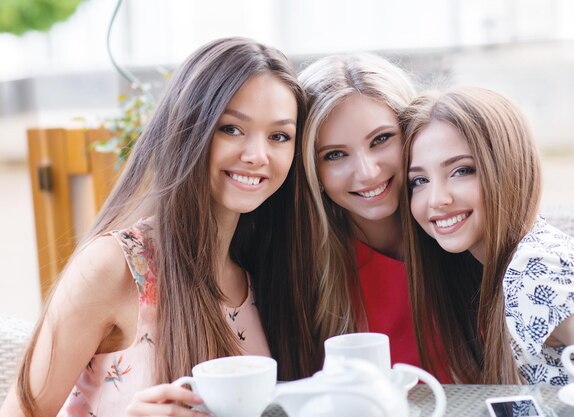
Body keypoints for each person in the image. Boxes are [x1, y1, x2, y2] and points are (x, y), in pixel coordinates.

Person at [0, 37, 318, 417]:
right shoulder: (115, 267)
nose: (256, 155)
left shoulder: (266, 270)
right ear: (189, 129)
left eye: (279, 136)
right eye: (231, 128)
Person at [401, 86, 574, 385]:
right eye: (420, 180)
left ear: (508, 167)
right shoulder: (494, 265)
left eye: (461, 171)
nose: (436, 199)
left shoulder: (534, 269)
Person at [298, 53, 451, 382]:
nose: (367, 173)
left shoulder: (459, 226)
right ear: (312, 170)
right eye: (335, 154)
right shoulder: (302, 264)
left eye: (381, 139)